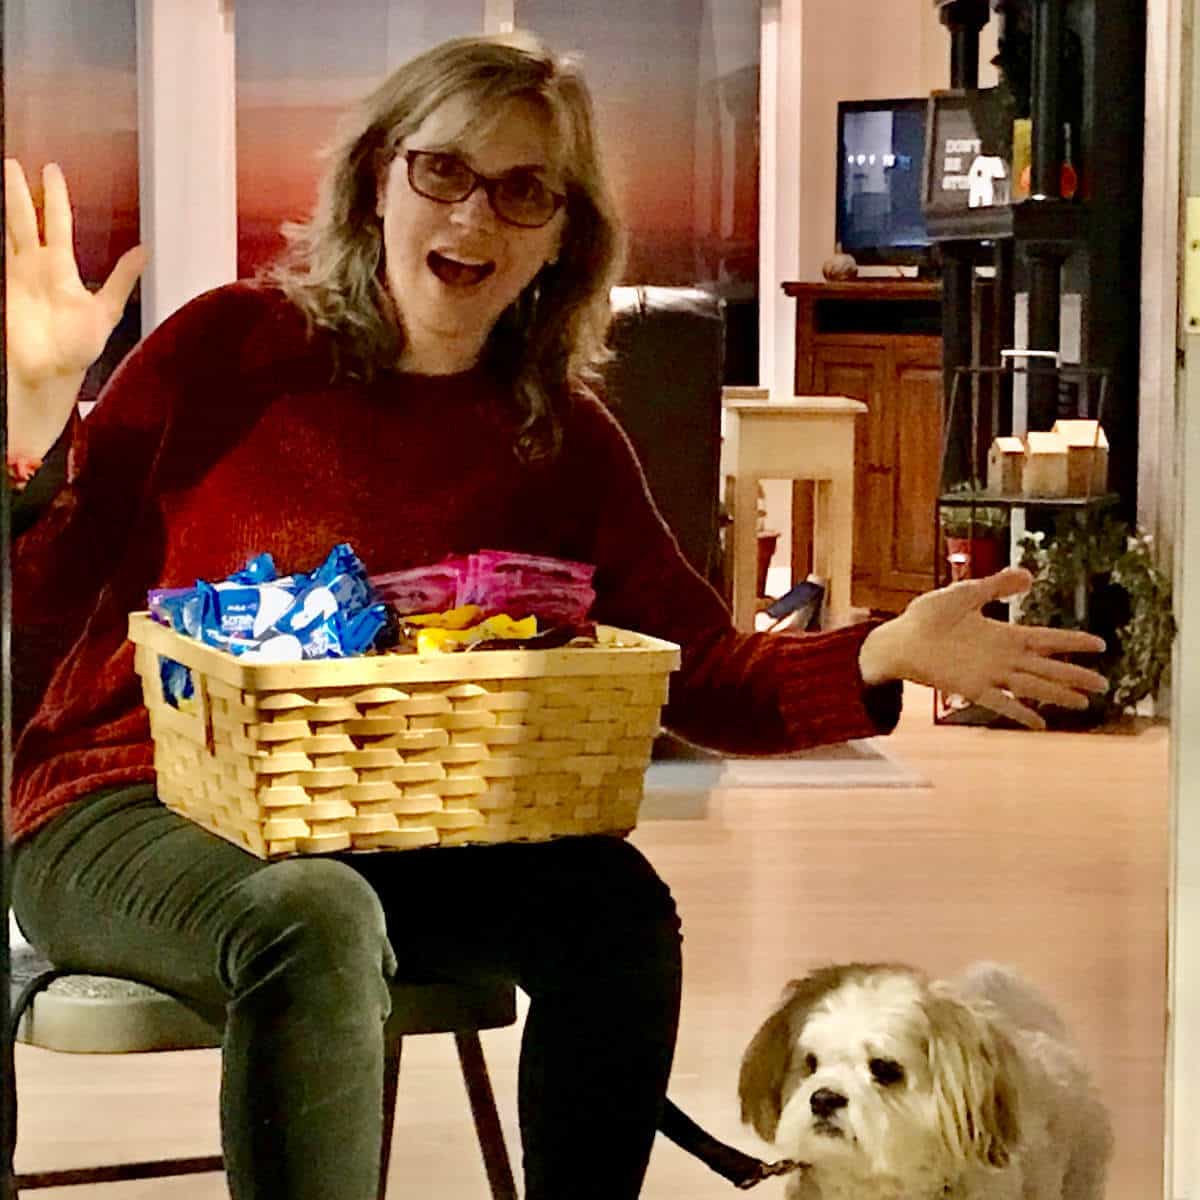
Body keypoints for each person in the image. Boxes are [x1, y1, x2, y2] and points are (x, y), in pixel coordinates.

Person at [5, 31, 1105, 1200]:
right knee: (311, 915)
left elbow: (709, 674)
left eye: (522, 190)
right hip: (122, 807)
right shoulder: (219, 351)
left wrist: (883, 646)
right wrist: (29, 422)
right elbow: (36, 603)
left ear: (561, 236)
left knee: (612, 909)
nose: (474, 219)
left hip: (391, 833)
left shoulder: (562, 442)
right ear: (378, 178)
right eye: (442, 172)